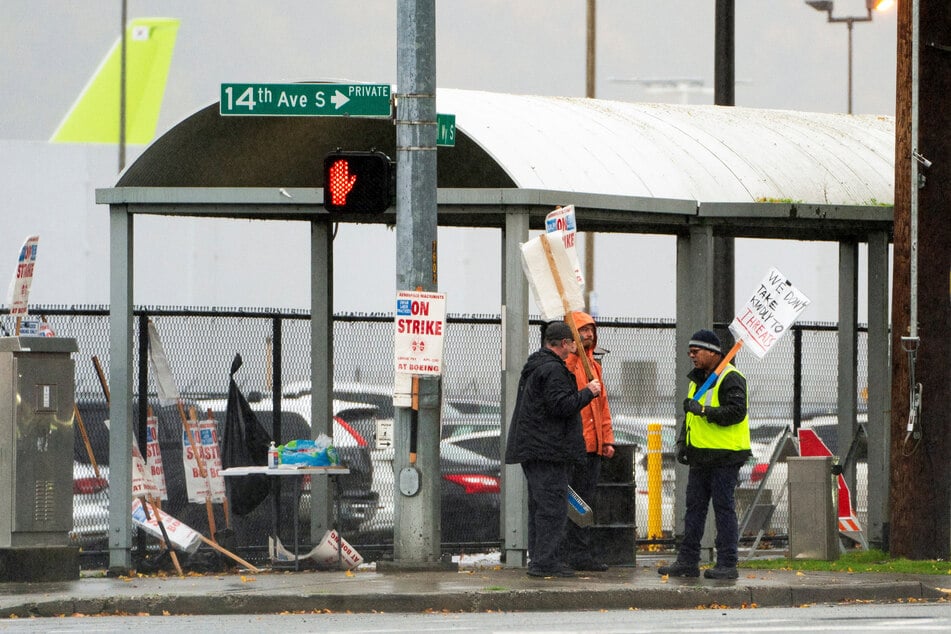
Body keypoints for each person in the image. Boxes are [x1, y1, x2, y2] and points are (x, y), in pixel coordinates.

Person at [505, 321, 602, 578]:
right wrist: (588, 393)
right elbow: (561, 405)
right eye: (571, 342)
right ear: (563, 343)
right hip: (548, 450)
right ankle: (545, 561)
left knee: (540, 506)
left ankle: (539, 558)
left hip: (535, 449)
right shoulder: (553, 370)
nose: (574, 347)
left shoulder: (536, 366)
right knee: (553, 507)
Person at [658, 329, 751, 580]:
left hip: (725, 456)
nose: (691, 355)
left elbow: (736, 412)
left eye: (695, 351)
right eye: (690, 351)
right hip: (701, 456)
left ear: (713, 352)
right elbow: (690, 416)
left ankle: (727, 564)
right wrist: (683, 443)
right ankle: (688, 562)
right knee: (694, 509)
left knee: (723, 508)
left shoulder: (731, 377)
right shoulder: (698, 380)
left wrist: (704, 410)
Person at [562, 311, 615, 572]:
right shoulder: (567, 365)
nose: (589, 335)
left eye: (591, 330)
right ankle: (569, 553)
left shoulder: (594, 366)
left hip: (592, 447)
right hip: (575, 447)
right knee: (572, 502)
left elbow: (602, 407)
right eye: (583, 330)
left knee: (584, 502)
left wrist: (606, 440)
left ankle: (581, 553)